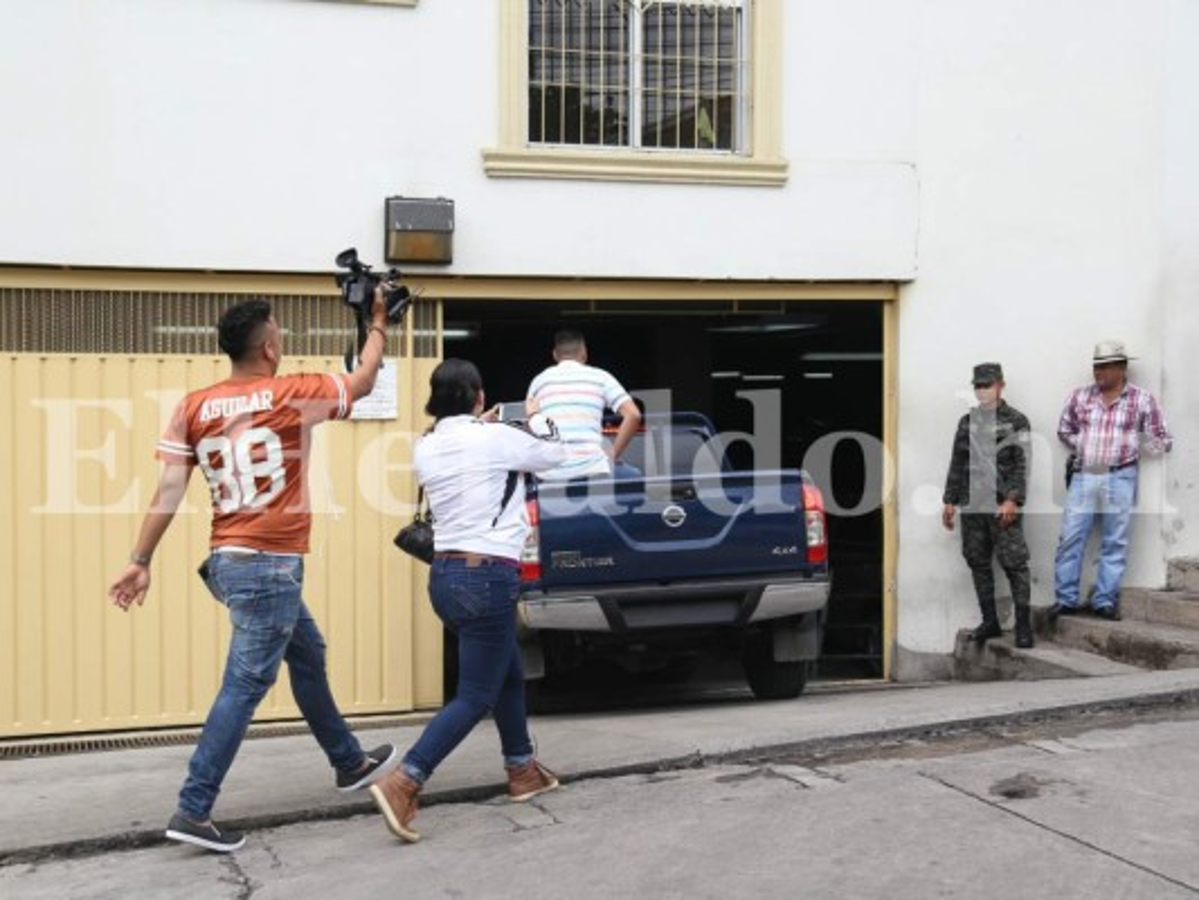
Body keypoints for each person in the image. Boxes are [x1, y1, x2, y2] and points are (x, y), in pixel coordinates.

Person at [107, 290, 398, 853]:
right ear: (268, 347)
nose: (283, 341)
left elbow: (169, 488)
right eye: (280, 334)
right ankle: (193, 807)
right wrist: (379, 323)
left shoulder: (193, 405)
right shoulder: (293, 392)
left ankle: (348, 761)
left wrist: (140, 559)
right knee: (244, 685)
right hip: (269, 563)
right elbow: (361, 381)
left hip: (230, 559)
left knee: (307, 653)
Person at [369, 358, 569, 843]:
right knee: (476, 693)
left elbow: (470, 455)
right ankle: (406, 780)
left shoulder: (427, 446)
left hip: (445, 578)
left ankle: (521, 769)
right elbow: (554, 454)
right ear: (479, 396)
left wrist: (489, 425)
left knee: (507, 671)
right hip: (487, 578)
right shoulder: (495, 437)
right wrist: (536, 414)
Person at [1050, 340, 1172, 621]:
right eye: (1096, 365)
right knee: (1070, 538)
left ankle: (1105, 601)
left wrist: (1135, 442)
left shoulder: (1142, 399)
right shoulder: (1079, 397)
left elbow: (1164, 440)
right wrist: (1081, 443)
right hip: (1085, 475)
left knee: (1114, 541)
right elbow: (1063, 429)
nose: (1098, 371)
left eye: (1105, 366)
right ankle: (1065, 600)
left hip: (1121, 475)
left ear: (1122, 367)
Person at [942, 362, 1034, 648]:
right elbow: (957, 462)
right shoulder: (966, 422)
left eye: (987, 385)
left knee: (1015, 564)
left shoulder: (1016, 420)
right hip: (972, 506)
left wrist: (1012, 500)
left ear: (1000, 385)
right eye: (978, 386)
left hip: (1000, 505)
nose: (982, 391)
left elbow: (1022, 463)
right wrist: (950, 500)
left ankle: (1023, 626)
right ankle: (990, 621)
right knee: (977, 562)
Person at [525, 328, 642, 480]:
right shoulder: (601, 377)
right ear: (584, 353)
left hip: (550, 474)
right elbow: (634, 415)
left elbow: (529, 426)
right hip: (594, 469)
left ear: (554, 355)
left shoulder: (539, 381)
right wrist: (611, 456)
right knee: (634, 476)